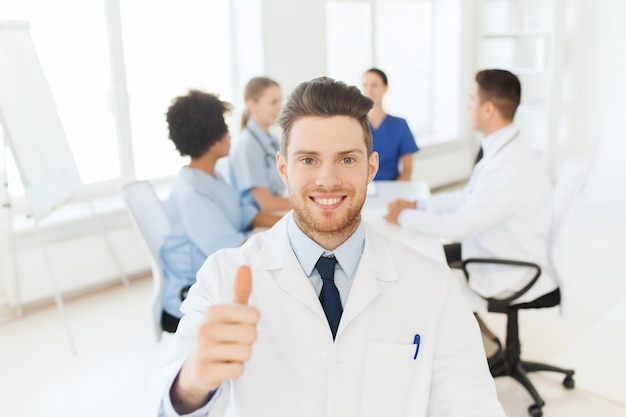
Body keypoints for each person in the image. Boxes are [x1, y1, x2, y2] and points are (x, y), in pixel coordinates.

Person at [156, 77, 505, 416]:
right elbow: (168, 400)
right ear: (283, 169)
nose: (327, 180)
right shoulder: (223, 276)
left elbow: (471, 401)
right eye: (308, 160)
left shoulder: (432, 284)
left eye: (347, 159)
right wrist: (192, 383)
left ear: (371, 168)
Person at [385, 69, 557, 365]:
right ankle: (487, 343)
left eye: (471, 100)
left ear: (488, 109)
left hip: (510, 265)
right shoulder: (504, 146)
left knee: (429, 275)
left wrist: (403, 218)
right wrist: (418, 205)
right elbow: (468, 197)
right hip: (500, 244)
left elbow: (460, 226)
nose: (468, 107)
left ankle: (480, 353)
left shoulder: (508, 165)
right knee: (428, 258)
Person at [159, 90, 281, 333]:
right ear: (213, 139)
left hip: (221, 275)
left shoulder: (212, 177)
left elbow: (248, 215)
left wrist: (292, 222)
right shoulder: (193, 193)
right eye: (225, 128)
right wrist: (285, 243)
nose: (229, 134)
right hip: (191, 298)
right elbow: (232, 252)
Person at [229, 76, 292, 212]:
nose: (279, 107)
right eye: (273, 102)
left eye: (280, 101)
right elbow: (267, 204)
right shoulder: (247, 145)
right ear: (252, 105)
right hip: (258, 224)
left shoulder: (272, 140)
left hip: (275, 213)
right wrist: (306, 202)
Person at [362, 68, 419, 181]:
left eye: (374, 85)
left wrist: (393, 193)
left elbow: (407, 170)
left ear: (385, 87)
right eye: (365, 85)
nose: (369, 90)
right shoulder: (355, 125)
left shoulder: (400, 125)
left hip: (391, 187)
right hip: (361, 188)